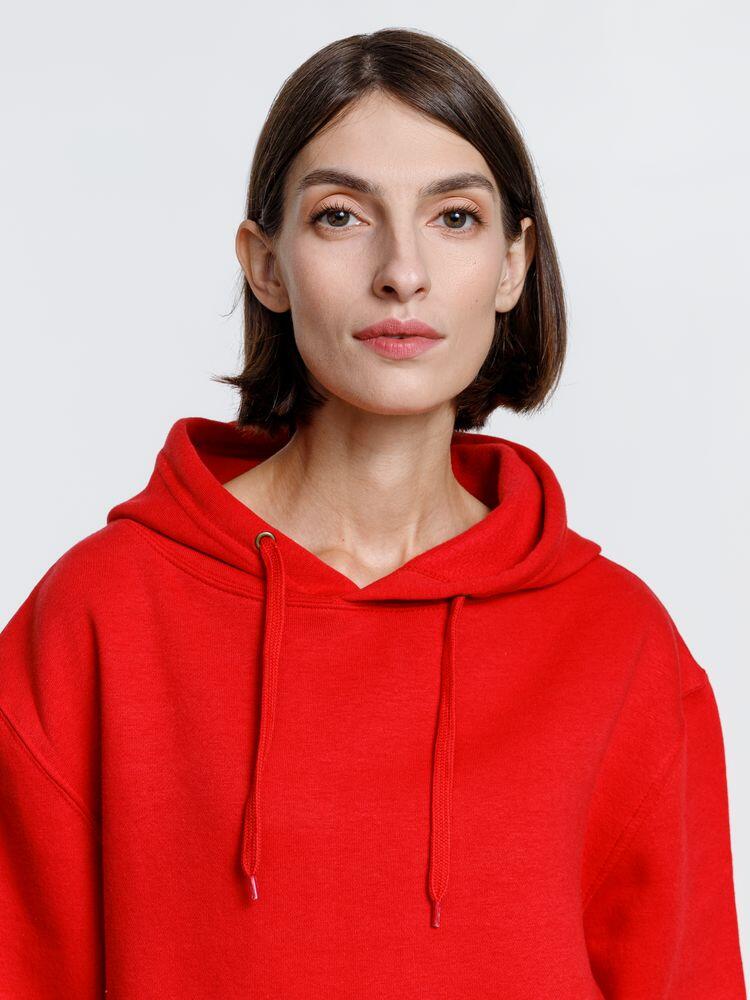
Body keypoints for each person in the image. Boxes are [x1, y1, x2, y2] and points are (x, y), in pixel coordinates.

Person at [0, 27, 745, 1000]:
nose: (402, 270)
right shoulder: (97, 619)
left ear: (514, 265)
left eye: (455, 217)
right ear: (266, 265)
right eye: (342, 216)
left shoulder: (621, 645)